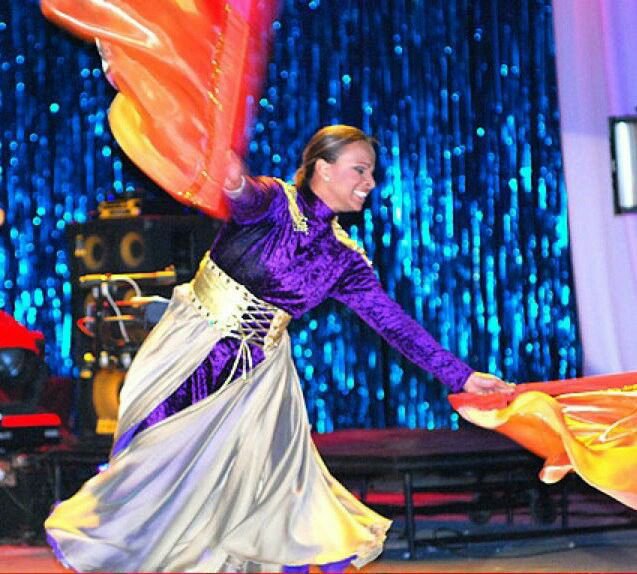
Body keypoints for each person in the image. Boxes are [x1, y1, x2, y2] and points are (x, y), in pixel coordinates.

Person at [45, 125, 512, 573]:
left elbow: (394, 323)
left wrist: (463, 376)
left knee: (251, 488)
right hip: (193, 346)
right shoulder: (273, 203)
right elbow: (243, 195)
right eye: (360, 169)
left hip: (258, 377)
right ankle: (119, 545)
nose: (370, 182)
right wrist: (232, 180)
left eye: (371, 172)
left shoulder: (343, 258)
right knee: (154, 461)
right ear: (323, 168)